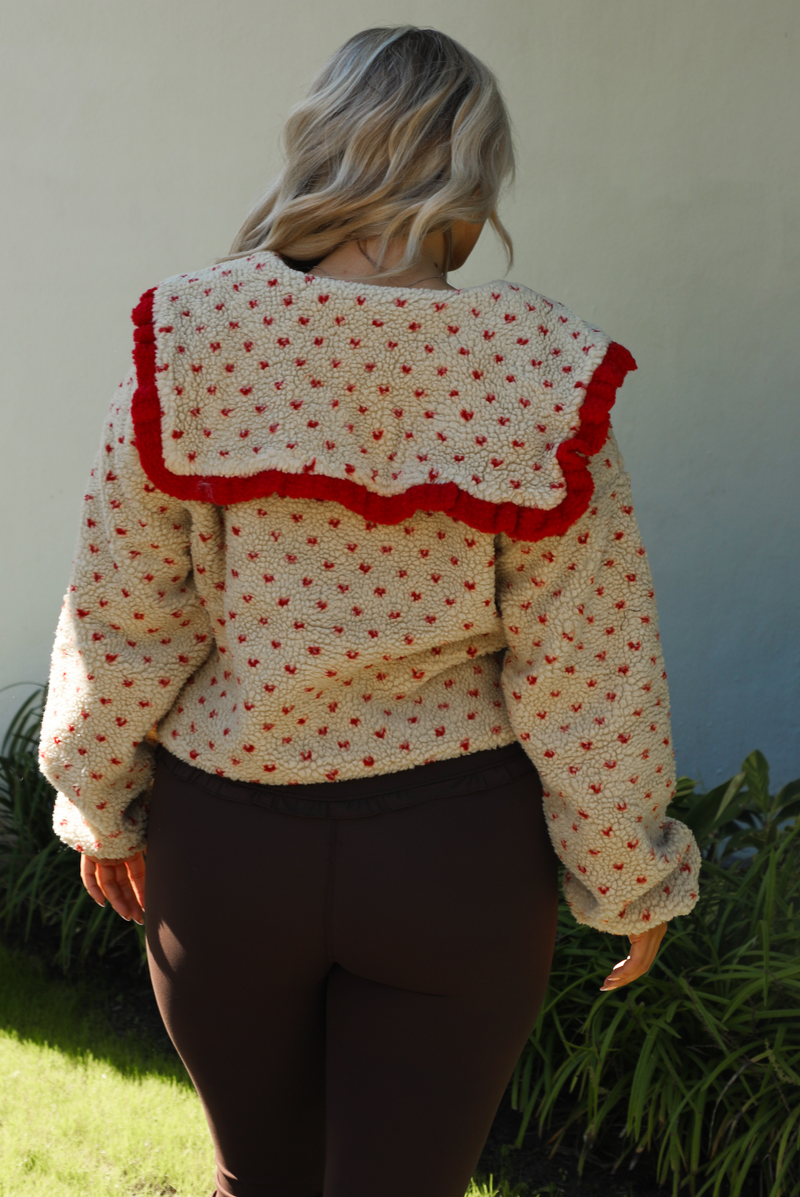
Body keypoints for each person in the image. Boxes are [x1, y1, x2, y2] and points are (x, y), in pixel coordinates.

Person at [39, 25, 701, 1197]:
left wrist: (98, 802)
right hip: (453, 861)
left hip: (229, 848)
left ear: (320, 149)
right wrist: (627, 871)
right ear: (472, 175)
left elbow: (125, 610)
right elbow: (586, 662)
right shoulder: (540, 367)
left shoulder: (193, 339)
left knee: (259, 1181)